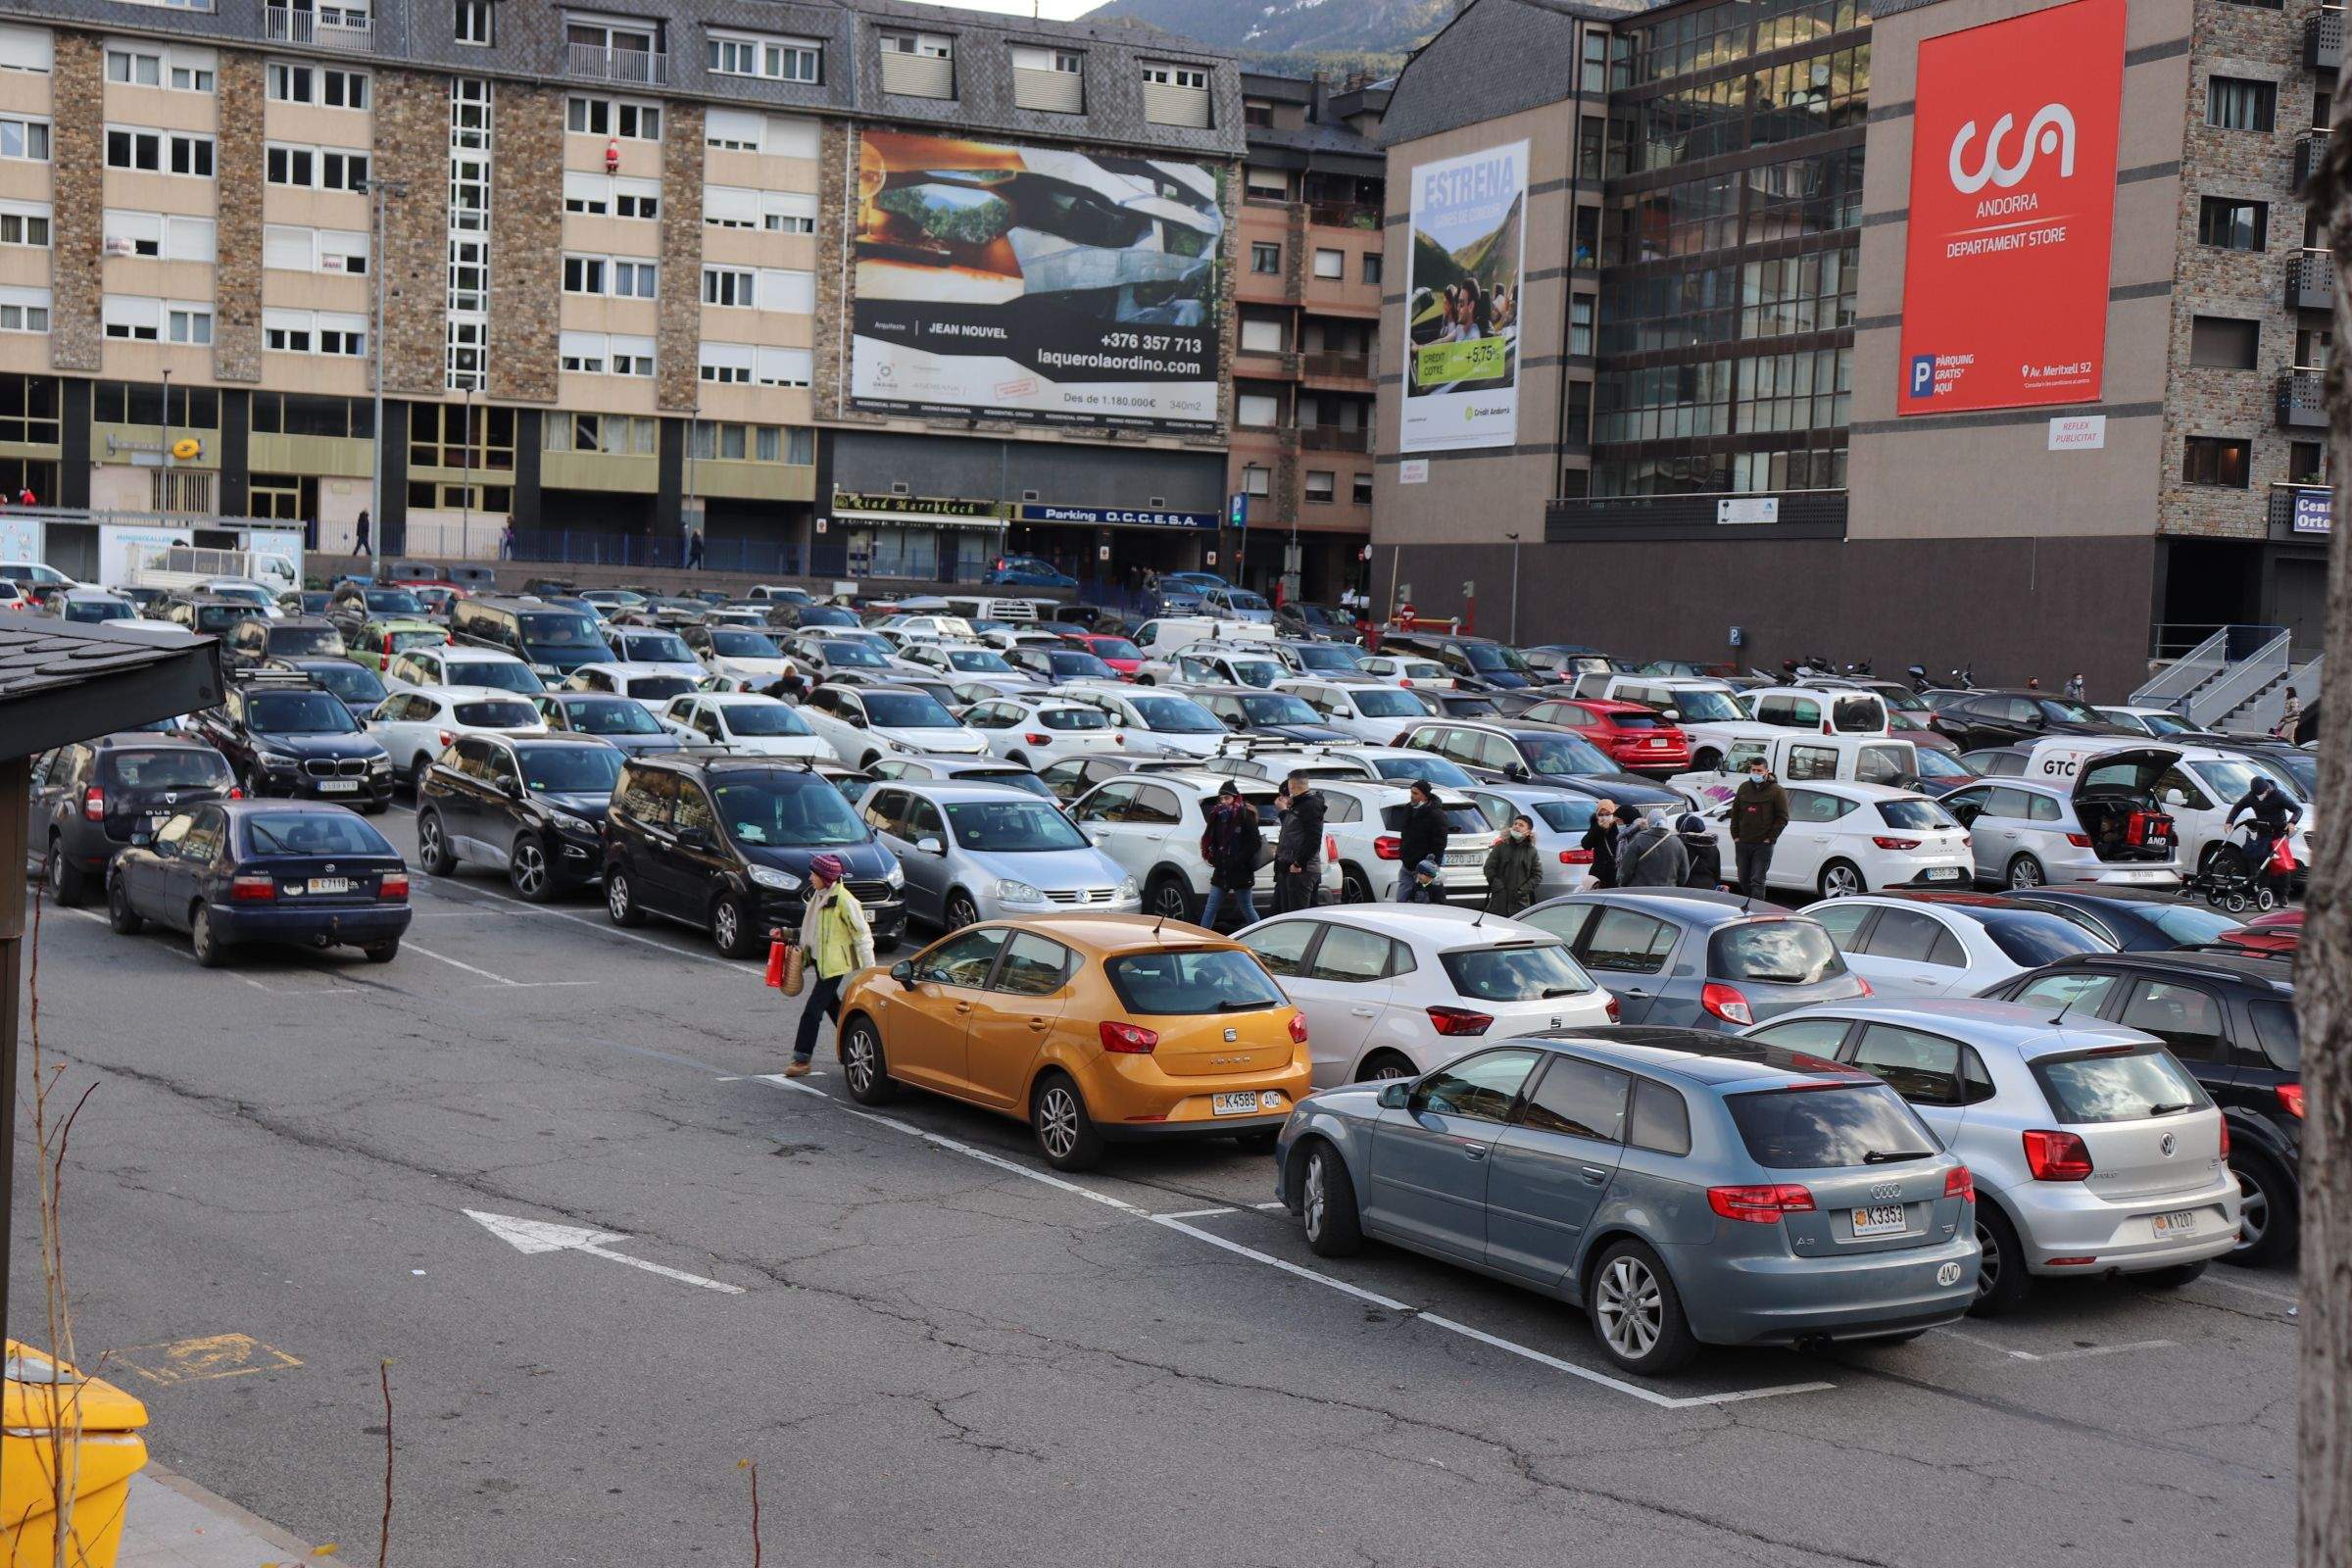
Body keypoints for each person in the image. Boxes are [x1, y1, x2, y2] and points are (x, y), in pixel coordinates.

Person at [778, 853, 873, 1078]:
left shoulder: (844, 900)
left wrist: (870, 972)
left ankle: (801, 1060)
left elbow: (862, 935)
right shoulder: (818, 897)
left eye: (814, 874)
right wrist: (786, 933)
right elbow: (813, 932)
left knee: (812, 1011)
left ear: (825, 877)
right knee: (838, 1012)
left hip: (834, 966)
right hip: (821, 962)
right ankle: (860, 1046)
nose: (810, 877)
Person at [2226, 774, 2304, 904]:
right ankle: (2262, 892)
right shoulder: (2251, 796)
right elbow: (2238, 807)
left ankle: (2284, 894)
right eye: (2257, 795)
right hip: (2263, 833)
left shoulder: (2279, 796)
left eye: (2261, 794)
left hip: (2278, 834)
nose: (2259, 797)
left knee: (2281, 865)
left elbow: (2297, 809)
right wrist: (2230, 821)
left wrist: (2292, 822)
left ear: (2267, 789)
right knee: (2261, 863)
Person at [1198, 780, 1263, 931]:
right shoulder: (1217, 815)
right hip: (1222, 870)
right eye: (1221, 799)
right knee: (1211, 907)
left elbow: (1255, 843)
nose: (1224, 802)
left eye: (1227, 798)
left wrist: (1238, 860)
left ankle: (1261, 936)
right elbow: (1211, 839)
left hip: (1241, 870)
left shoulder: (1245, 815)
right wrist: (1213, 857)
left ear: (1235, 798)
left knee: (1246, 907)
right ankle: (1202, 937)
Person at [1729, 757, 1790, 900]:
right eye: (1753, 770)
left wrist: (1770, 838)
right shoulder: (1744, 787)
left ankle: (1756, 911)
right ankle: (1748, 904)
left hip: (1763, 845)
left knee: (1757, 880)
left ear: (1766, 771)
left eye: (1759, 770)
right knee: (1743, 878)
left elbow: (1783, 817)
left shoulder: (1777, 791)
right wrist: (1736, 836)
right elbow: (1735, 813)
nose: (1756, 773)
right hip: (1743, 842)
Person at [1272, 770, 1324, 913]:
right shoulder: (1298, 804)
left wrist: (1299, 863)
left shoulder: (1309, 805)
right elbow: (1293, 831)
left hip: (1301, 870)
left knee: (1297, 914)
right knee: (1284, 913)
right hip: (1288, 867)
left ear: (1292, 785)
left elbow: (1313, 838)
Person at [1395, 779, 1449, 901]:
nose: (1412, 796)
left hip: (1424, 867)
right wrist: (1403, 853)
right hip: (1407, 864)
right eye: (1411, 792)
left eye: (1415, 793)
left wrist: (1431, 864)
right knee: (1401, 899)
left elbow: (1440, 844)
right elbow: (1405, 834)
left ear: (1424, 796)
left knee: (1421, 902)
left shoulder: (1436, 815)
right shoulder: (1409, 809)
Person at [1483, 813, 1542, 914]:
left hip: (1520, 903)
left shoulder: (1531, 851)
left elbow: (1537, 876)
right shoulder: (1501, 846)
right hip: (1499, 901)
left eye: (1521, 825)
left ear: (1528, 831)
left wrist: (1521, 891)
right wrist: (1498, 886)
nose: (1517, 826)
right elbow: (1488, 868)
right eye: (1515, 824)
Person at [1616, 809, 1689, 888]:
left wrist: (1623, 884)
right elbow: (1684, 874)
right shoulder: (1677, 843)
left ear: (1649, 822)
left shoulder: (1638, 840)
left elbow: (1626, 870)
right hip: (1668, 893)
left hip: (1640, 892)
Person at [1581, 801, 1622, 889]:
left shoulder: (1619, 827)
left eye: (1608, 814)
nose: (1604, 817)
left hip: (1615, 874)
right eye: (1601, 814)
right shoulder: (1596, 827)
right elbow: (1586, 845)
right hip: (1598, 874)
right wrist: (1599, 829)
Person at [1677, 811, 1722, 891]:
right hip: (1709, 886)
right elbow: (1717, 873)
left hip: (1687, 888)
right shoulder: (1712, 846)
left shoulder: (1682, 846)